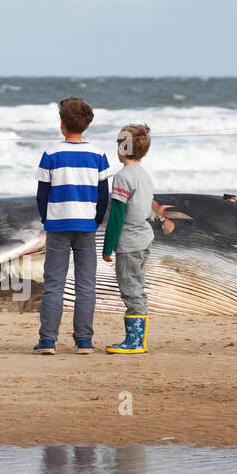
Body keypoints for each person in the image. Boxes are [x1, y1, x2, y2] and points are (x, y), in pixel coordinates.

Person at [34, 97, 115, 354]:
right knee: (86, 285)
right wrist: (96, 219)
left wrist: (46, 218)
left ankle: (48, 340)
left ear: (62, 124)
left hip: (58, 225)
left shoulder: (51, 154)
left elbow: (41, 194)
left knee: (54, 283)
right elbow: (104, 194)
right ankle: (84, 340)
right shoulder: (99, 155)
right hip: (86, 226)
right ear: (86, 124)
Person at [101, 123, 154, 354]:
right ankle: (138, 340)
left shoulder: (122, 177)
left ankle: (134, 342)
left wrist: (108, 246)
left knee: (130, 290)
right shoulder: (144, 174)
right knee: (137, 288)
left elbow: (117, 215)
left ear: (124, 148)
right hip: (144, 238)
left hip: (129, 242)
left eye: (118, 143)